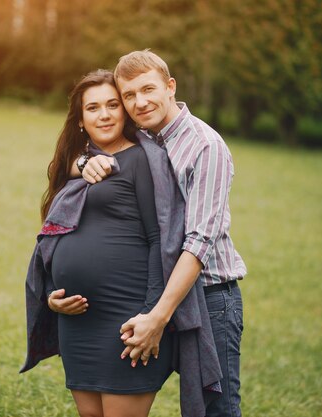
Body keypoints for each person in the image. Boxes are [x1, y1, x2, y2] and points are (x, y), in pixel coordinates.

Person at [74, 50, 247, 417]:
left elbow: (199, 241)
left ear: (170, 87)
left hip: (209, 295)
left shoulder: (205, 146)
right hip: (156, 293)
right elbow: (91, 151)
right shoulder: (144, 137)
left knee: (214, 408)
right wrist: (84, 162)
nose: (140, 102)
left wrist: (158, 316)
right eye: (129, 95)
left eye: (148, 89)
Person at [23, 69, 174, 417]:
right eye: (92, 108)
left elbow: (159, 241)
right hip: (77, 323)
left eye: (112, 105)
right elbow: (52, 240)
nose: (104, 115)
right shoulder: (76, 165)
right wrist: (51, 298)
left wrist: (151, 315)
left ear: (125, 111)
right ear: (80, 120)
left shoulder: (142, 160)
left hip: (126, 320)